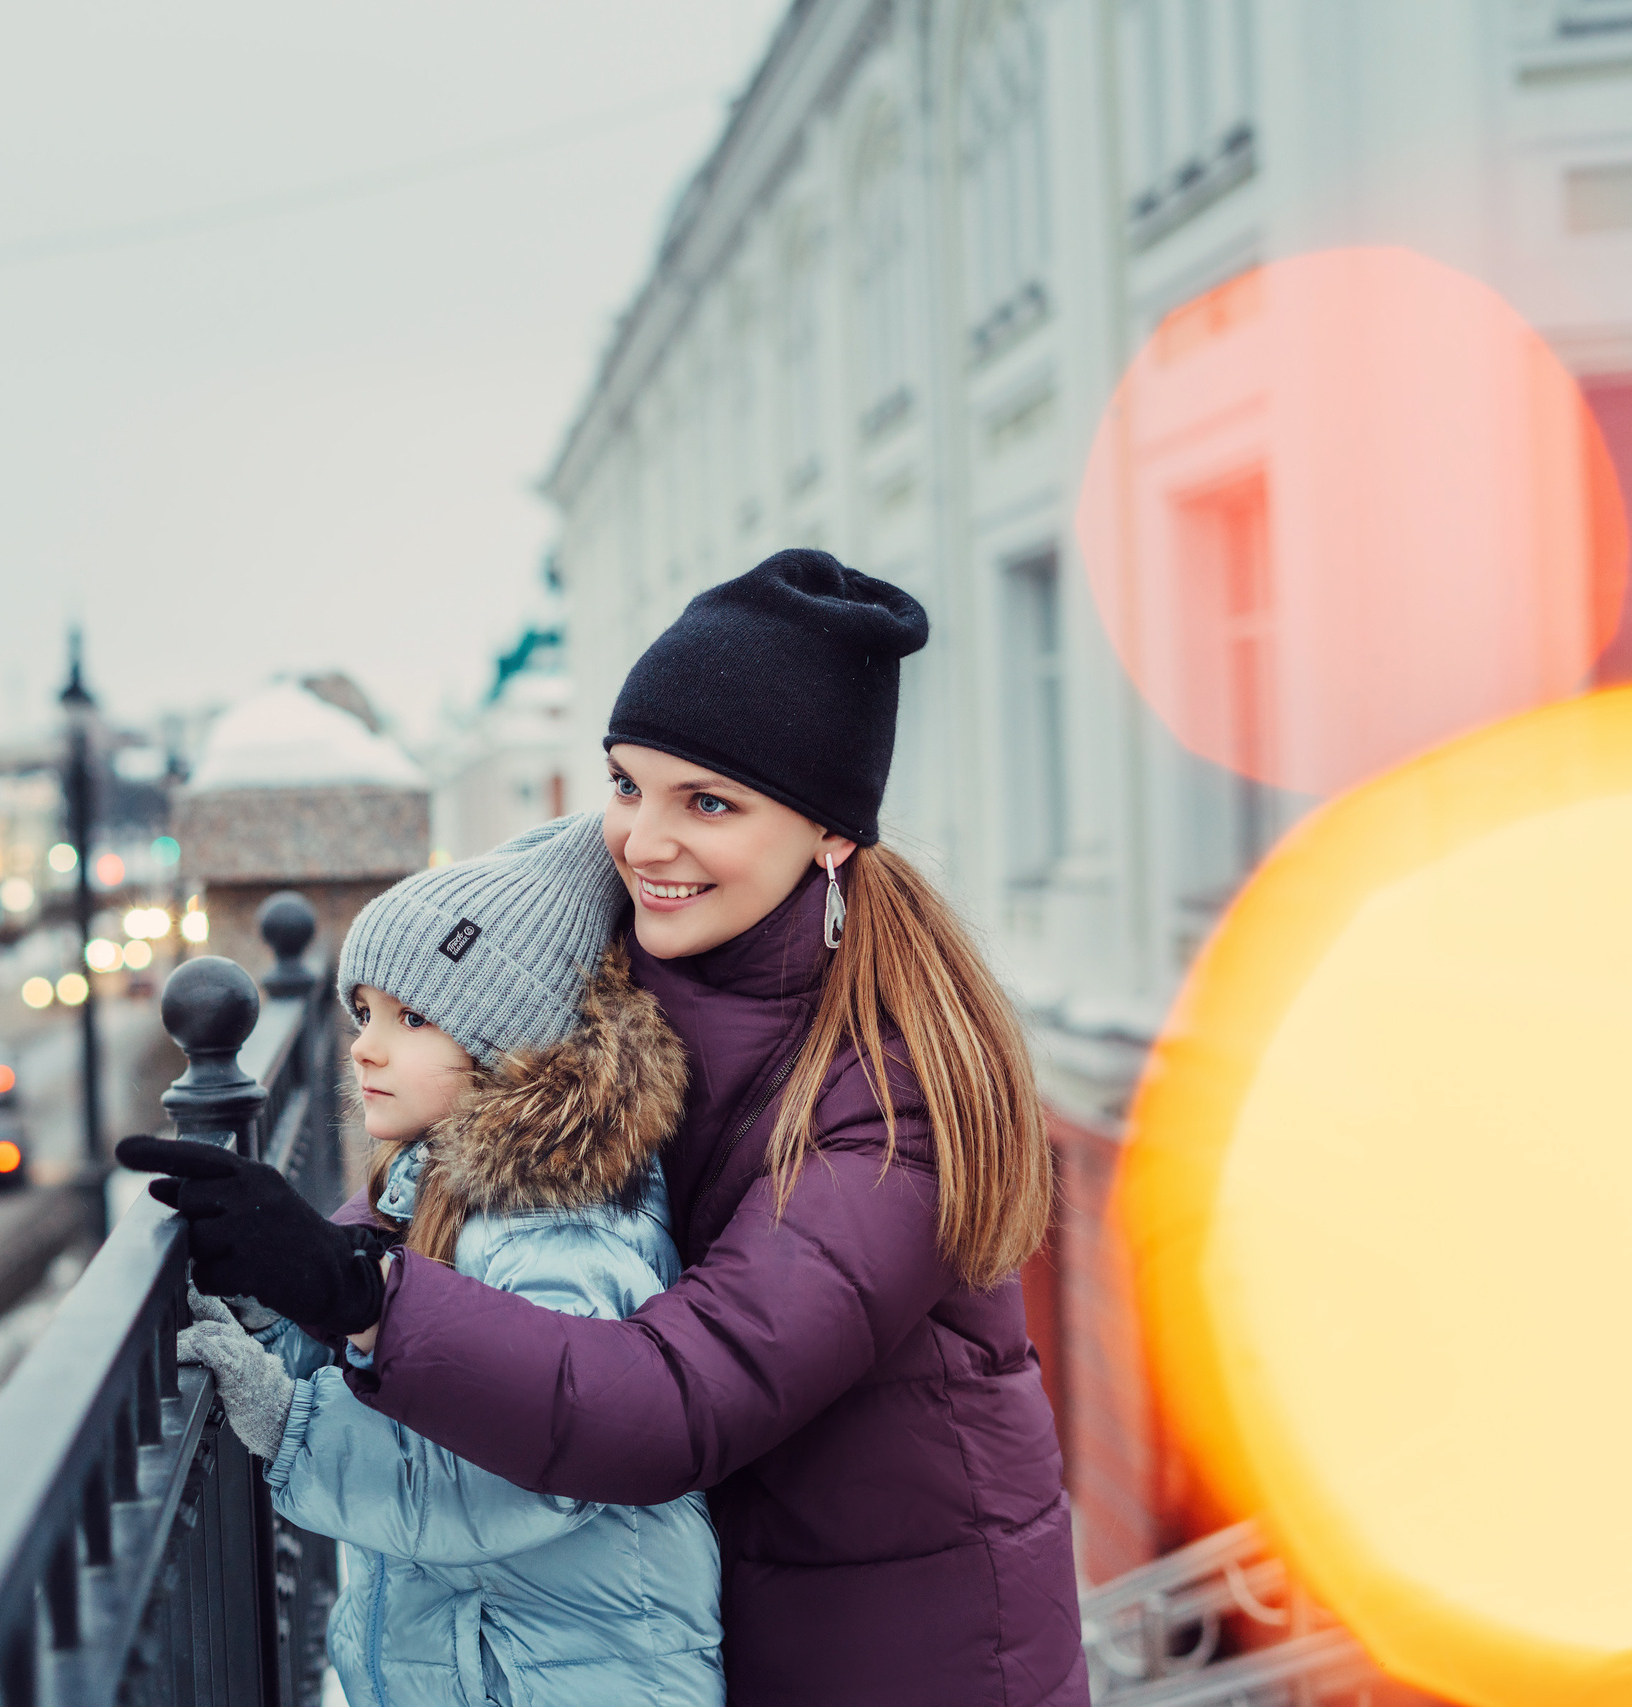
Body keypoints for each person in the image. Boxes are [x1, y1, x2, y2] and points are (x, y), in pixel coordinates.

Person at [128, 549, 1088, 1706]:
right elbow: (480, 1154)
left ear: (830, 833)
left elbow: (677, 1397)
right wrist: (306, 1255)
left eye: (709, 802)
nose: (642, 840)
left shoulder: (894, 1093)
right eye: (628, 784)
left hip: (901, 1651)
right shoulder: (619, 971)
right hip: (725, 1625)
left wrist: (358, 1292)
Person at [125, 813, 723, 1707]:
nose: (365, 1043)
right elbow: (393, 1357)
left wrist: (291, 1423)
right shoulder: (439, 1184)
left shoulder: (554, 1218)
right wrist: (267, 1306)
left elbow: (531, 1468)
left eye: (413, 1017)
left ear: (508, 1046)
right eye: (365, 1011)